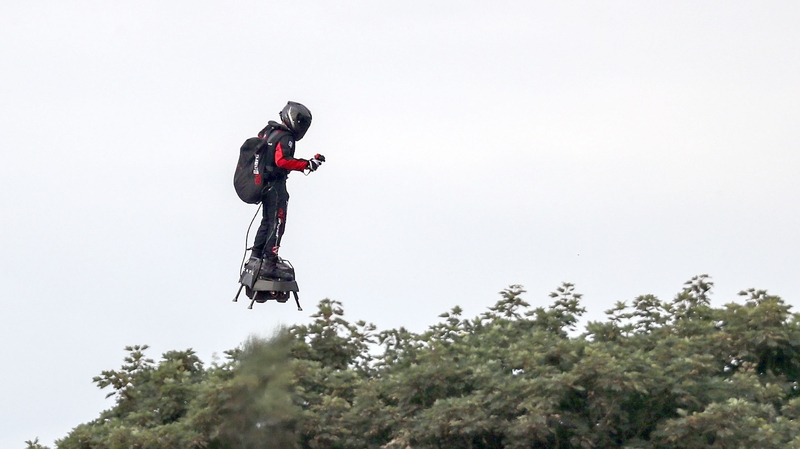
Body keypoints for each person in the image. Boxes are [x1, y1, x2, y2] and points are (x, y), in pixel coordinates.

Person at [247, 101, 324, 280]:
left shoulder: (269, 131)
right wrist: (307, 164)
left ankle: (255, 258)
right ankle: (269, 263)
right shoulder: (285, 137)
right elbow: (282, 160)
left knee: (267, 220)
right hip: (275, 185)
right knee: (278, 221)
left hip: (264, 184)